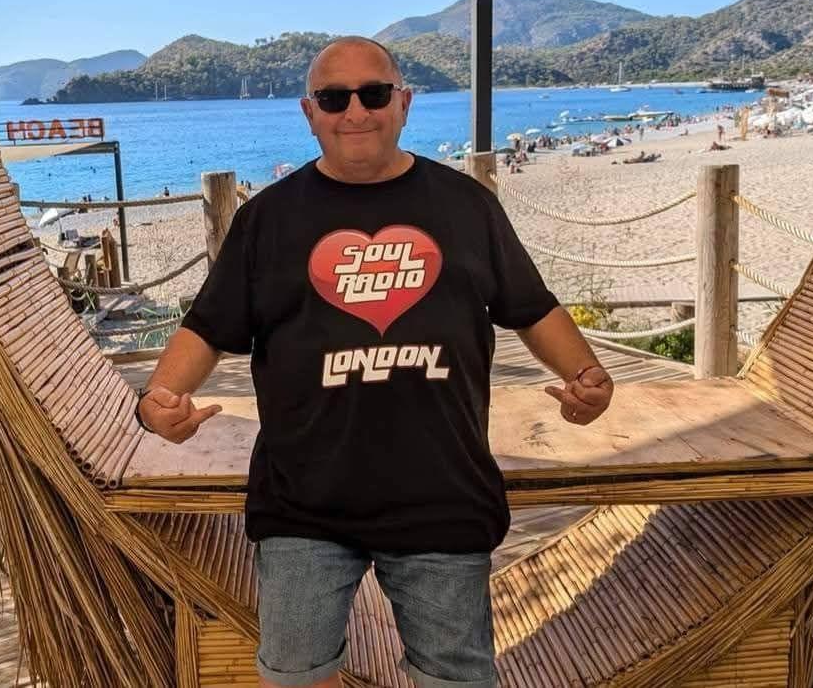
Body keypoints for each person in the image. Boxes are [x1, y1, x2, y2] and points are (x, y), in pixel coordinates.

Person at [135, 36, 614, 688]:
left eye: (374, 92)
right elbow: (207, 325)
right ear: (310, 113)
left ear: (404, 102)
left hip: (441, 492)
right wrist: (160, 397)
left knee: (455, 677)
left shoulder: (465, 205)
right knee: (296, 674)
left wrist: (587, 377)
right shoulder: (266, 218)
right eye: (334, 97)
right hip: (302, 500)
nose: (354, 110)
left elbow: (530, 307)